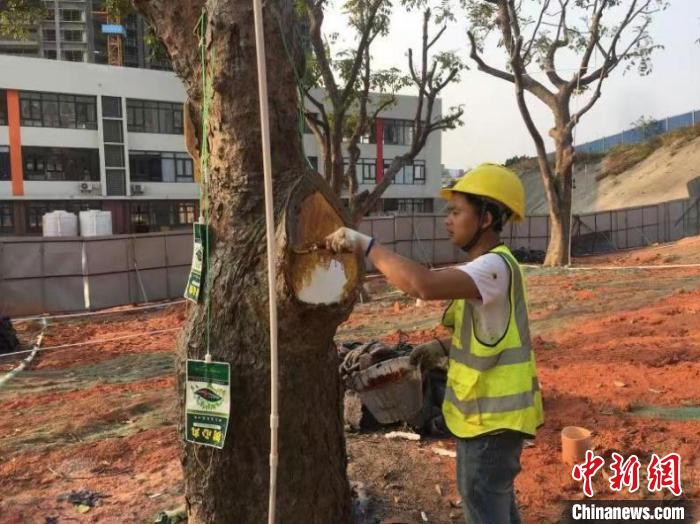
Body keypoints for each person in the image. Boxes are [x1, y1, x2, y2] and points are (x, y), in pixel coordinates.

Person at [325, 163, 544, 524]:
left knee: (484, 508)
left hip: (491, 422)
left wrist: (365, 245)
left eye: (457, 211)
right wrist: (441, 349)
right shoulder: (493, 268)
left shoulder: (492, 268)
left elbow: (422, 285)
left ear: (486, 218)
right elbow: (489, 335)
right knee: (496, 505)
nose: (448, 219)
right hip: (491, 421)